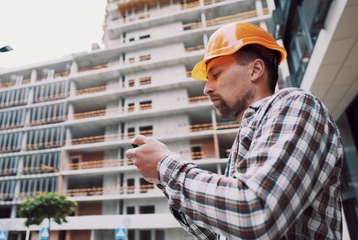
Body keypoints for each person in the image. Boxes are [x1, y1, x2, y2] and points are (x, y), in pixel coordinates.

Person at [125, 22, 344, 239]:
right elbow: (224, 232)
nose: (207, 88)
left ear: (255, 70)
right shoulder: (248, 139)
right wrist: (162, 178)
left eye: (216, 74)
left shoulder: (298, 104)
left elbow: (255, 212)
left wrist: (165, 166)